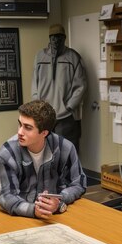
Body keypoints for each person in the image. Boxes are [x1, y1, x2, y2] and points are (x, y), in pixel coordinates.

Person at [0, 100, 86, 219]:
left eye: (28, 127)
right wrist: (33, 210)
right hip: (21, 218)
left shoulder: (65, 148)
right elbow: (5, 195)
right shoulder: (7, 153)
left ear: (44, 133)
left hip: (56, 218)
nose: (20, 132)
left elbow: (78, 183)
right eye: (20, 124)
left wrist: (59, 200)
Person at [31, 23, 87, 152]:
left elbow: (81, 85)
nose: (56, 40)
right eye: (53, 37)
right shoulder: (40, 56)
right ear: (49, 38)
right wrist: (37, 103)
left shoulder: (73, 57)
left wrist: (70, 106)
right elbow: (34, 82)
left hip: (66, 116)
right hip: (44, 115)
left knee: (67, 150)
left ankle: (70, 173)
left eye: (59, 37)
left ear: (65, 38)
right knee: (46, 150)